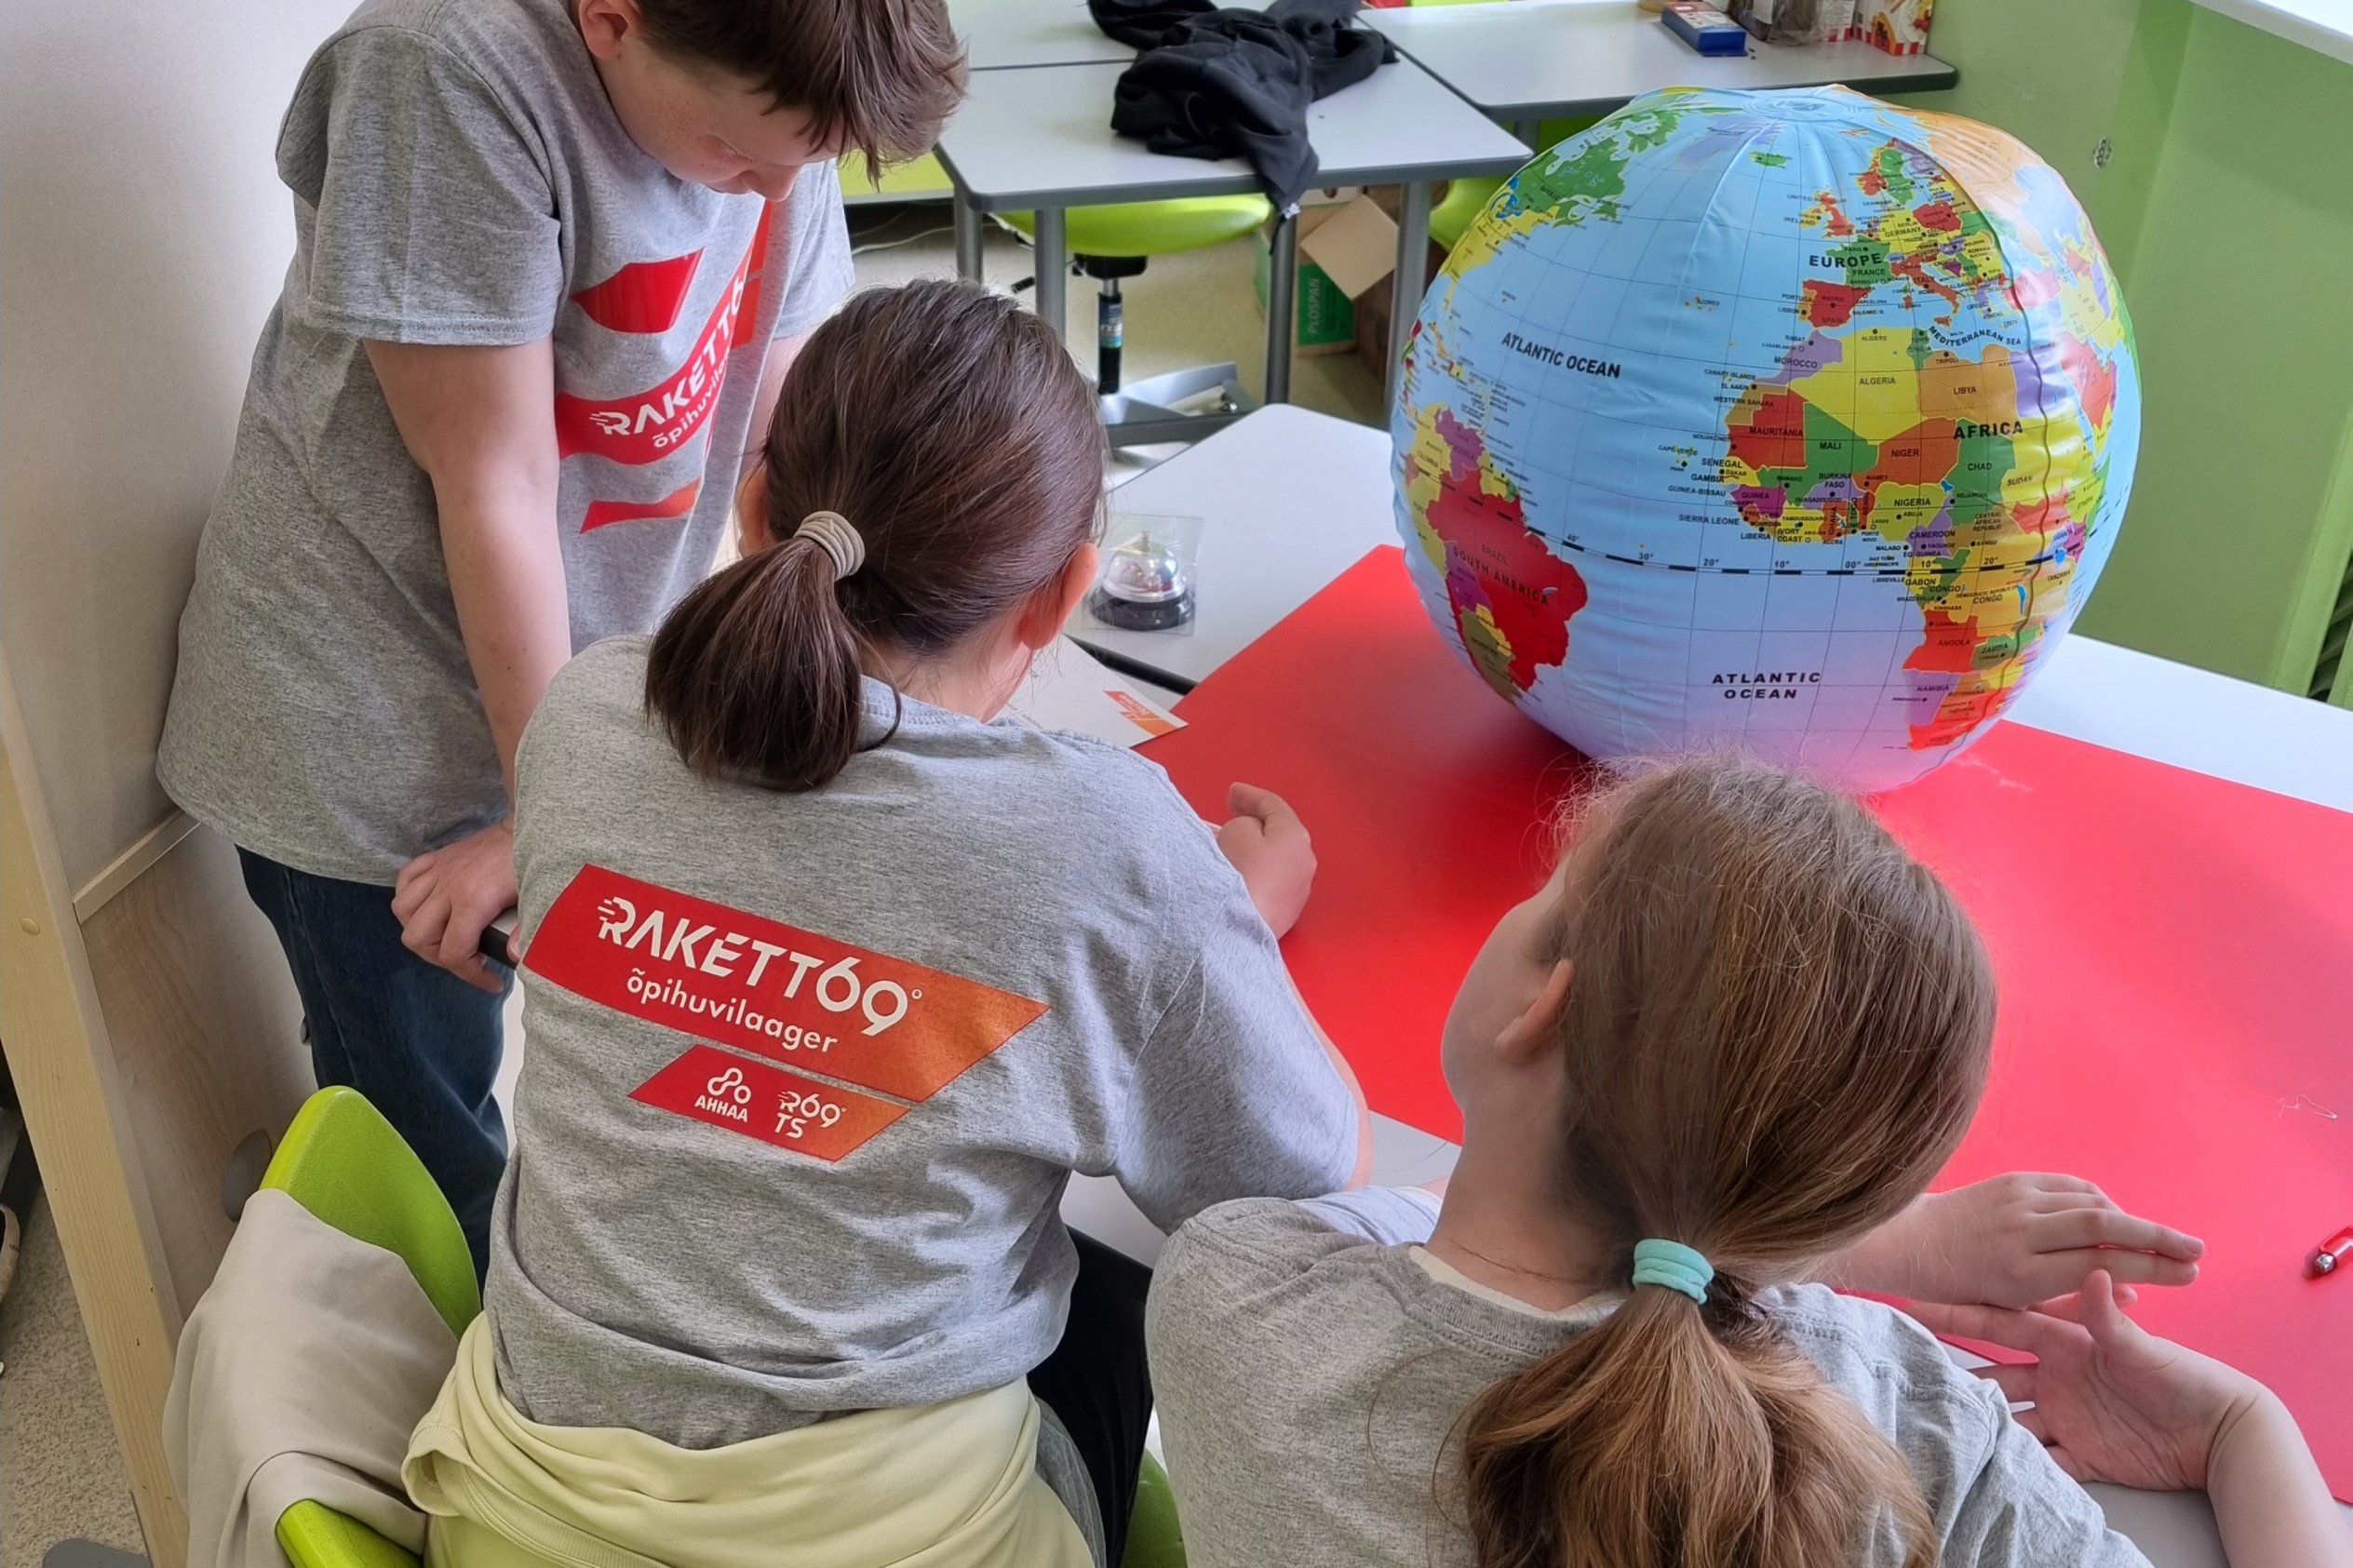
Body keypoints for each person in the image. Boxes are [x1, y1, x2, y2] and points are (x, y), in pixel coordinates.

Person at [397, 278, 1368, 1568]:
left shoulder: (585, 713)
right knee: (1118, 1301)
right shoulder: (1113, 850)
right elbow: (1300, 1174)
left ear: (755, 512)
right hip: (890, 1543)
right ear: (1060, 597)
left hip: (515, 1520)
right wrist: (1216, 922)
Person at [156, 0, 961, 1275]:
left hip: (565, 679)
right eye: (740, 158)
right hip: (364, 719)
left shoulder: (775, 98)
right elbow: (496, 488)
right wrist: (564, 813)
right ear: (611, 21)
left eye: (806, 163)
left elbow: (788, 447)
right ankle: (449, 1350)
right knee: (431, 1134)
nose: (775, 194)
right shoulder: (442, 72)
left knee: (572, 1070)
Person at [1149, 757, 2349, 1568]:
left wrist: (1235, 923)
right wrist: (2243, 1425)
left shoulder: (1238, 1296)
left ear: (1540, 1007)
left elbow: (1393, 1206)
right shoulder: (1895, 1413)